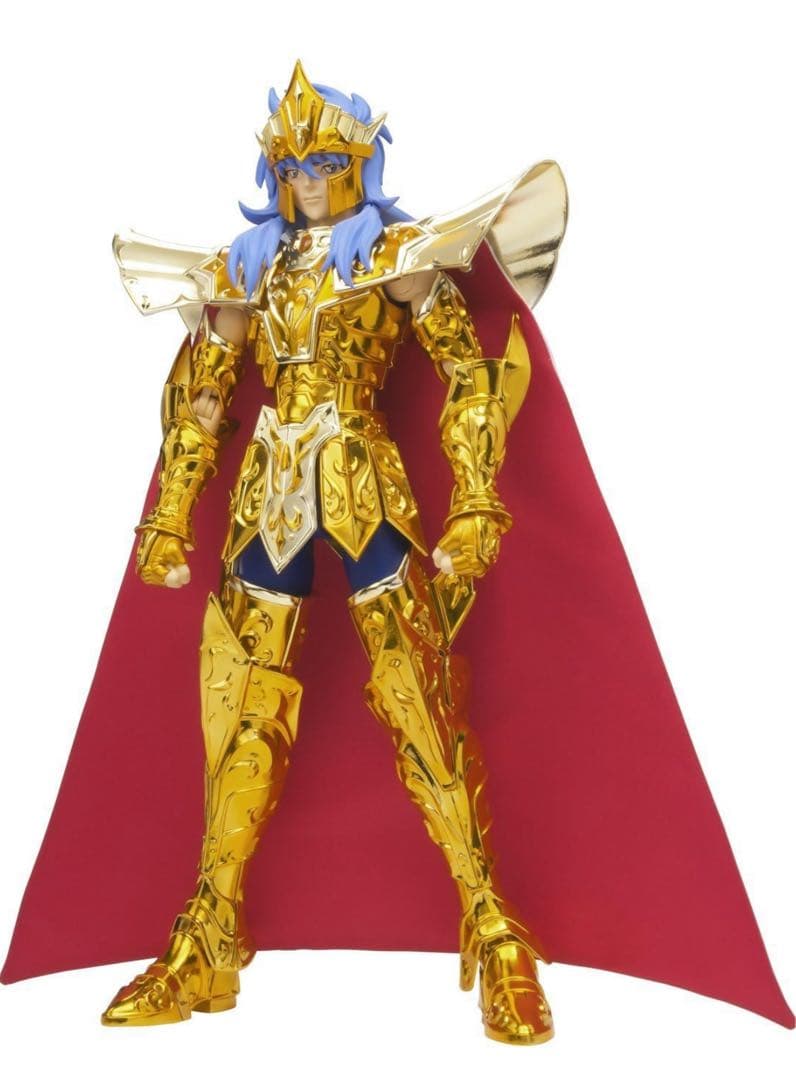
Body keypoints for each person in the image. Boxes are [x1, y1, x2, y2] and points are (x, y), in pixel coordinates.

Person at [99, 60, 567, 1044]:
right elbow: (204, 399)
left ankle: (492, 929)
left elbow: (467, 375)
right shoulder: (248, 264)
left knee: (417, 694)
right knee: (238, 710)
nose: (306, 180)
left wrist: (476, 502)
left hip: (361, 480)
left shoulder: (393, 252)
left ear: (358, 164)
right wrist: (168, 515)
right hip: (269, 489)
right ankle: (207, 936)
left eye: (323, 163)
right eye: (290, 164)